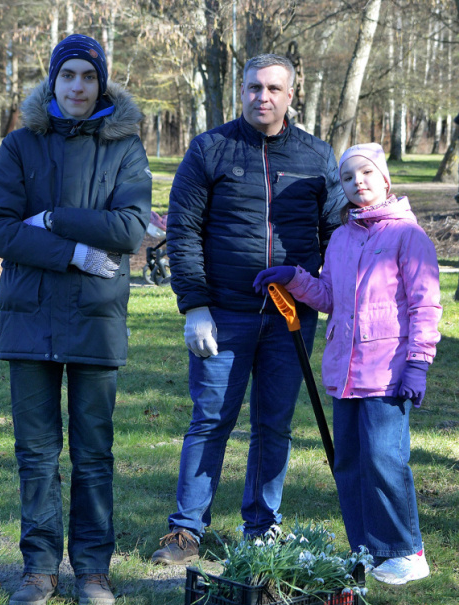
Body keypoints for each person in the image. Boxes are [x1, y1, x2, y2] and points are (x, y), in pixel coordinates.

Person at [0, 34, 152, 605]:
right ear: (53, 80)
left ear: (102, 82)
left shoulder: (125, 146)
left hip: (96, 319)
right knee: (35, 454)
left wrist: (52, 219)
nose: (78, 86)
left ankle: (94, 571)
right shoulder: (19, 145)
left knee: (94, 453)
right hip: (29, 319)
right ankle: (39, 570)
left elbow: (130, 228)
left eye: (88, 76)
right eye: (68, 75)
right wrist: (75, 252)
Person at [152, 53, 345, 565]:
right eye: (254, 87)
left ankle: (261, 527)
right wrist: (194, 306)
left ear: (291, 94)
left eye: (274, 88)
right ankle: (185, 531)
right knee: (211, 420)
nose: (263, 96)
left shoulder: (316, 156)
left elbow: (336, 234)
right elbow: (183, 231)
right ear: (242, 91)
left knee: (274, 424)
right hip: (223, 314)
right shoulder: (209, 149)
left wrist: (333, 297)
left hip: (291, 317)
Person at [254, 143, 442, 584]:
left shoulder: (407, 236)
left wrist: (418, 363)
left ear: (385, 179)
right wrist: (294, 278)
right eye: (348, 177)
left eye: (366, 173)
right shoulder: (341, 238)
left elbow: (425, 305)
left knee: (384, 458)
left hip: (388, 371)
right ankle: (368, 549)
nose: (358, 182)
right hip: (346, 371)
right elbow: (329, 297)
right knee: (350, 462)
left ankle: (406, 550)